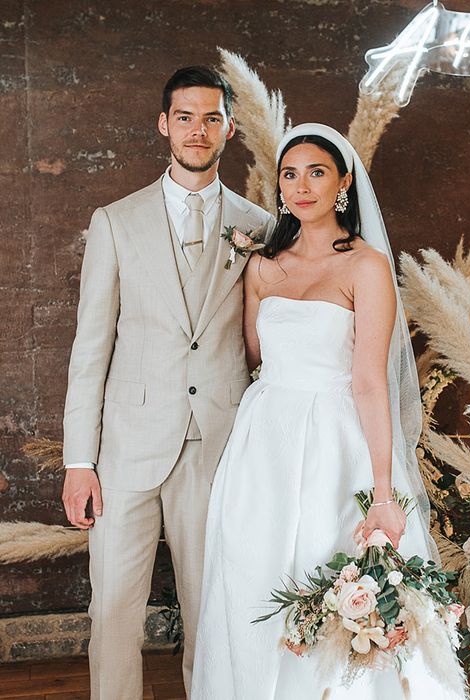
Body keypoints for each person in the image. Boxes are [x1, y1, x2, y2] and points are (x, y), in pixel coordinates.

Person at [191, 123, 467, 699]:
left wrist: (386, 491)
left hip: (337, 438)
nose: (301, 186)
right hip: (264, 437)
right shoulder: (262, 267)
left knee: (329, 561)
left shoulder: (365, 267)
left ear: (343, 182)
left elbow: (369, 380)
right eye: (289, 175)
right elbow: (252, 356)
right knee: (252, 567)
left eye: (316, 172)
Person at [61, 66, 274, 698]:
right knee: (114, 614)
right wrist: (80, 461)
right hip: (125, 449)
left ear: (229, 129)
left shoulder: (259, 228)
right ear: (164, 124)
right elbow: (89, 351)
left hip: (218, 444)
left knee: (214, 611)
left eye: (211, 118)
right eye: (185, 116)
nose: (198, 130)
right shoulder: (116, 222)